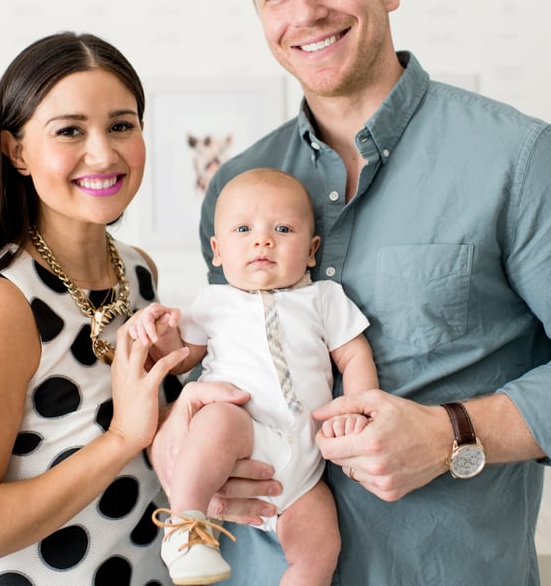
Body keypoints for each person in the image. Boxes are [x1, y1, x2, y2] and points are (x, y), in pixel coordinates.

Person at [151, 0, 551, 584]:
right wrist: (179, 434)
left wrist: (451, 433)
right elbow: (230, 359)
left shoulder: (523, 159)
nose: (305, 12)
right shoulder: (237, 188)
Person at [0, 31, 196, 586]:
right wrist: (120, 440)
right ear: (17, 152)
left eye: (121, 125)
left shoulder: (138, 271)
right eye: (69, 131)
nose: (104, 153)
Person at [128, 168, 378, 585]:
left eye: (282, 228)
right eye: (243, 229)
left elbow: (354, 355)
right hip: (242, 431)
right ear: (217, 250)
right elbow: (182, 358)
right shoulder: (212, 303)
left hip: (305, 463)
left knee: (321, 547)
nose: (262, 240)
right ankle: (187, 529)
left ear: (312, 249)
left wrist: (358, 409)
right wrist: (162, 329)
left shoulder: (323, 298)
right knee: (218, 417)